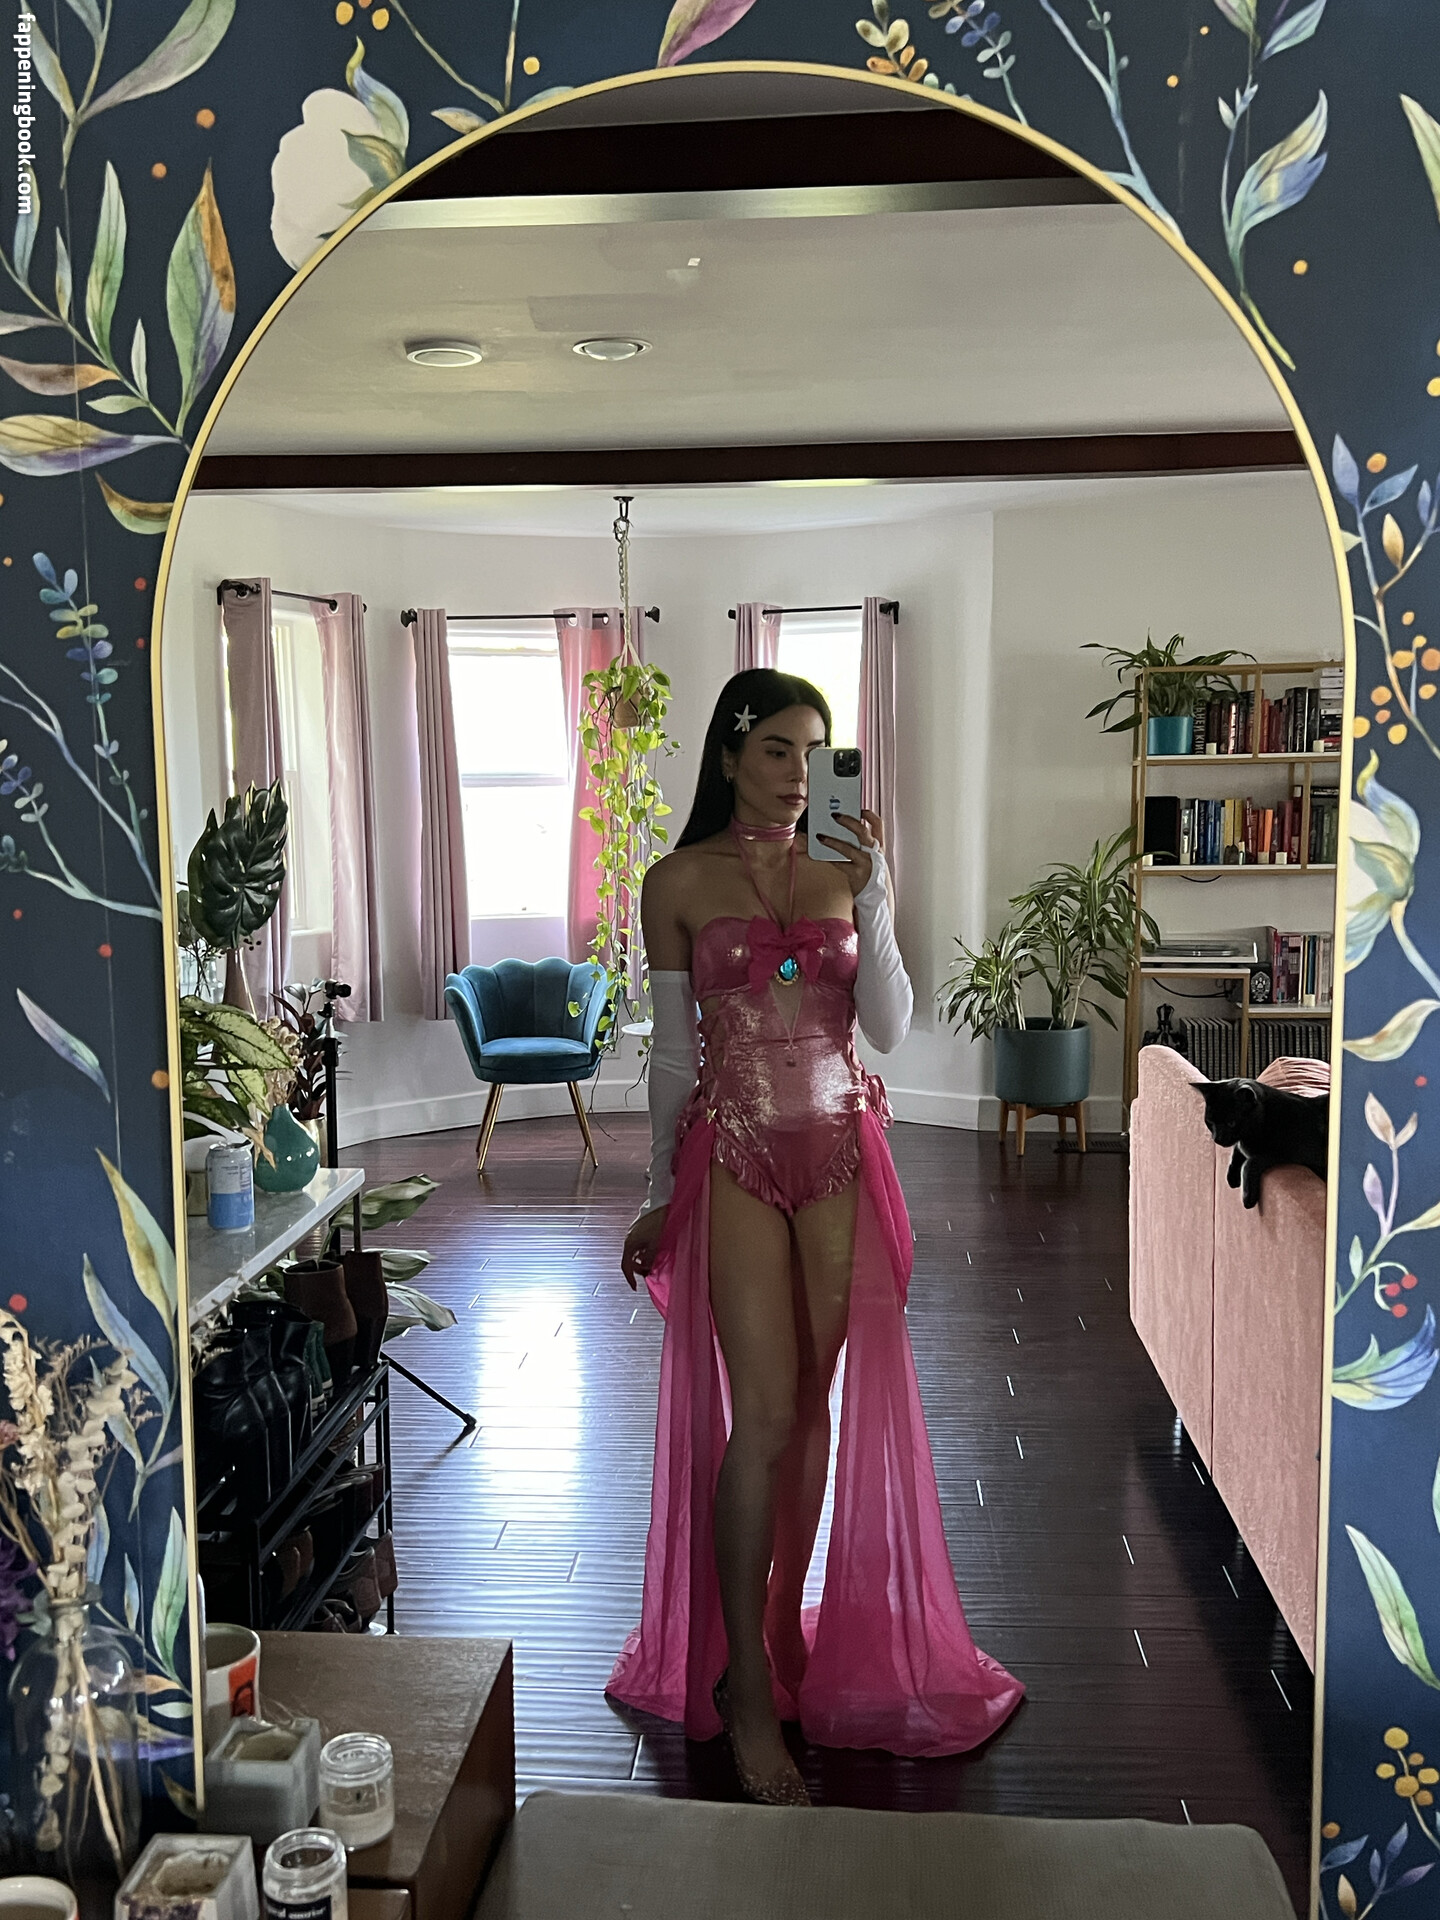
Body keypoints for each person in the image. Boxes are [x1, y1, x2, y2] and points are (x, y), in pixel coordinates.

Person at [607, 668, 1022, 1803]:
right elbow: (676, 1057)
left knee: (815, 1402)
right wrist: (657, 1190)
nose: (799, 775)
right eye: (778, 750)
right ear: (730, 754)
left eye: (816, 753)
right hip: (734, 1150)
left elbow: (889, 1025)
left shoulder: (844, 868)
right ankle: (745, 1684)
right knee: (767, 1413)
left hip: (842, 1144)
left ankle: (785, 1626)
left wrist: (876, 892)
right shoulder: (675, 881)